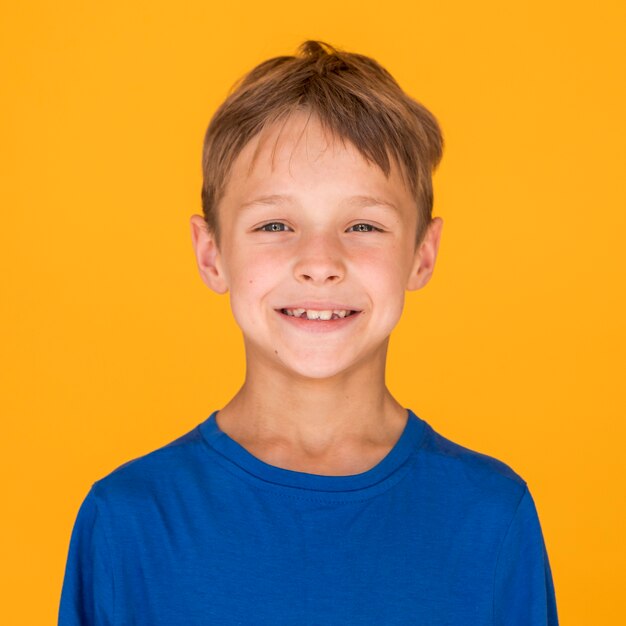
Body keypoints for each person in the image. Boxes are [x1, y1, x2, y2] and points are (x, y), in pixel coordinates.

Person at [58, 40, 559, 625]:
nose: (320, 261)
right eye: (275, 224)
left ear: (422, 255)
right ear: (211, 253)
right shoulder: (127, 521)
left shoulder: (492, 517)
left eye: (363, 225)